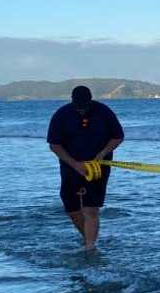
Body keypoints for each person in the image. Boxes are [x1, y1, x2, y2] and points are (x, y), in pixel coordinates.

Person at [47, 85, 124, 251]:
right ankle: (88, 237)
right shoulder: (62, 115)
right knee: (71, 208)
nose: (82, 111)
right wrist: (75, 164)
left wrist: (102, 154)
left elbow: (118, 137)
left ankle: (90, 247)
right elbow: (54, 145)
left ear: (90, 101)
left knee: (91, 208)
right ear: (73, 102)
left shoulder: (103, 111)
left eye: (85, 107)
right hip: (70, 165)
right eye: (79, 107)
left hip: (98, 166)